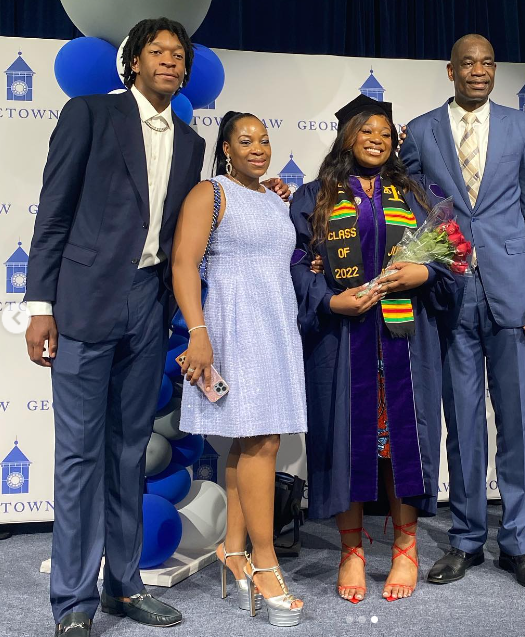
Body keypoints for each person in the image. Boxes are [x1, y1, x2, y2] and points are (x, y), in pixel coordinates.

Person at [24, 18, 205, 637]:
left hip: (147, 308)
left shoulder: (191, 142)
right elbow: (53, 215)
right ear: (133, 63)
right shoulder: (91, 114)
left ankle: (123, 587)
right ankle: (72, 603)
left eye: (178, 55)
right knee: (78, 455)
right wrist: (39, 304)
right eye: (157, 52)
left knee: (129, 453)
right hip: (81, 304)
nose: (170, 62)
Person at [290, 94, 460, 603]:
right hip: (343, 340)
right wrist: (327, 299)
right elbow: (297, 261)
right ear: (346, 136)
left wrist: (424, 270)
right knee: (348, 439)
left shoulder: (417, 194)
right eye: (366, 131)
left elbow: (451, 257)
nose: (377, 139)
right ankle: (352, 551)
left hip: (406, 339)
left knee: (402, 441)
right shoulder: (314, 196)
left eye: (385, 132)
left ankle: (405, 548)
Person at [399, 34, 525, 590]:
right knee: (462, 423)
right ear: (450, 71)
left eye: (488, 64)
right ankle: (465, 539)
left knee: (514, 418)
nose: (480, 72)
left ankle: (516, 541)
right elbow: (412, 212)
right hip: (449, 294)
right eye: (469, 63)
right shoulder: (418, 131)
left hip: (513, 292)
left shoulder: (519, 126)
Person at [172, 111, 306, 626]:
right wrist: (198, 333)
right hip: (231, 327)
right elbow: (184, 263)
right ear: (226, 147)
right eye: (246, 140)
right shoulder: (211, 193)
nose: (258, 147)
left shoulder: (274, 197)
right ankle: (266, 563)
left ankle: (232, 550)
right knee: (262, 442)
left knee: (249, 439)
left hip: (275, 325)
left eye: (265, 139)